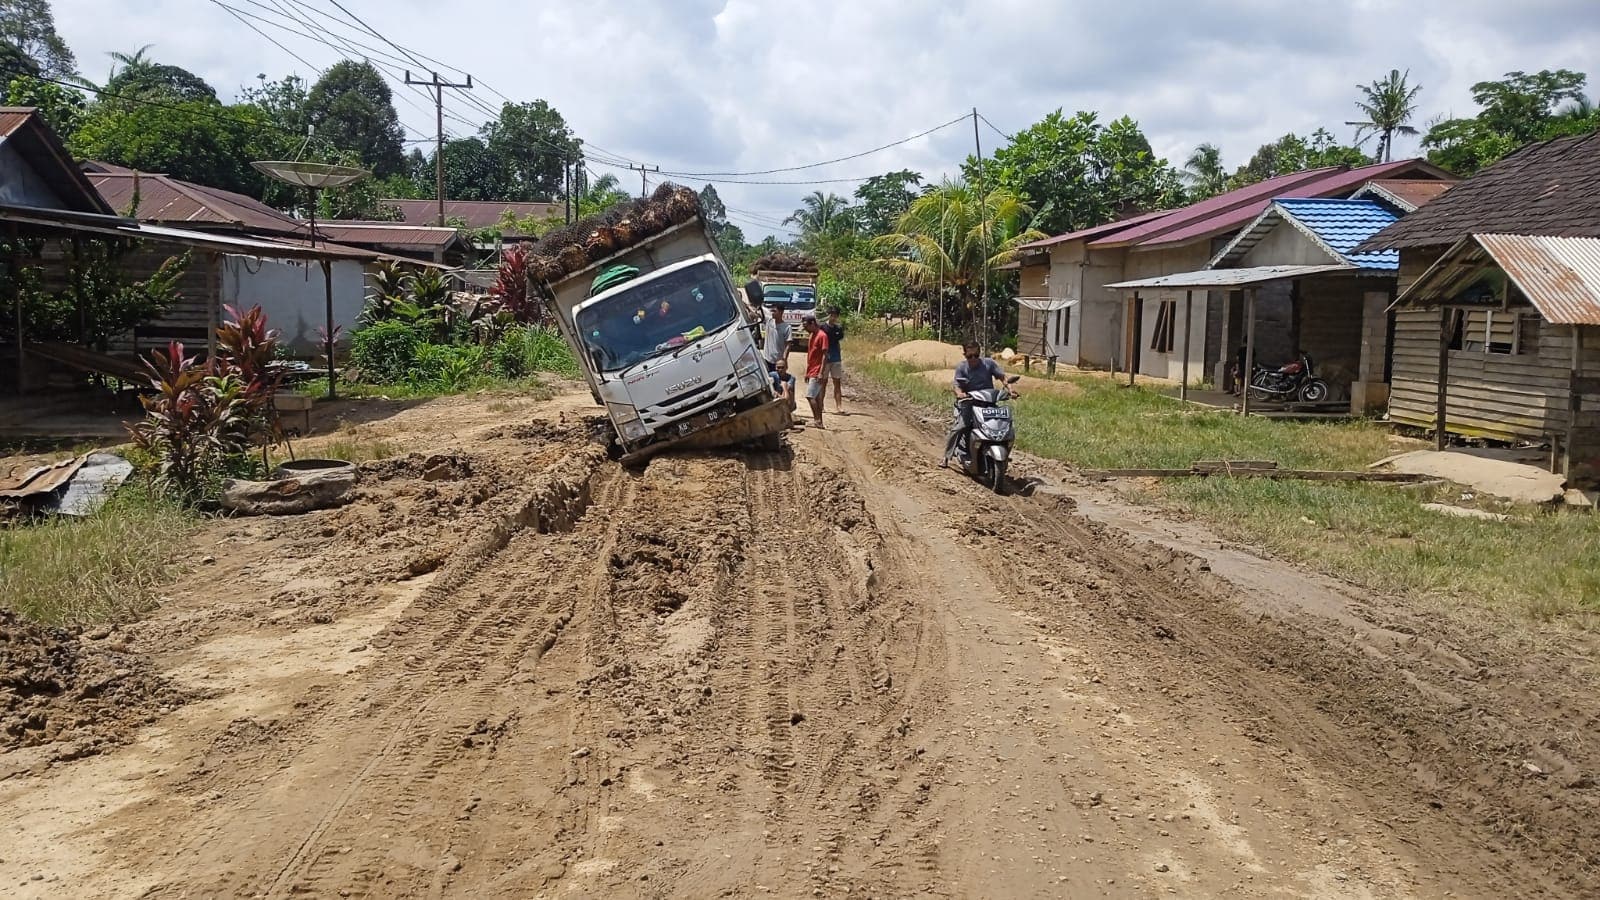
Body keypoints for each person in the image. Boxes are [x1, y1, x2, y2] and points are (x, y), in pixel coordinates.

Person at [943, 341, 1015, 465]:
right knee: (961, 426)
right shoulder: (962, 367)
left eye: (976, 355)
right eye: (970, 356)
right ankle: (946, 456)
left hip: (989, 403)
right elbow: (957, 385)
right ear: (965, 355)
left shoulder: (988, 363)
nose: (973, 359)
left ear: (979, 353)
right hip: (969, 402)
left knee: (1004, 425)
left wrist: (1011, 390)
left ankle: (1003, 451)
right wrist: (960, 394)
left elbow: (1002, 377)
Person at [801, 312, 830, 429]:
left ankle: (817, 420)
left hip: (818, 370)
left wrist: (820, 372)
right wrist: (807, 372)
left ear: (812, 323)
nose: (805, 329)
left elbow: (824, 355)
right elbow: (810, 355)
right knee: (817, 397)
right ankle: (819, 422)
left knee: (810, 396)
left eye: (806, 326)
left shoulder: (822, 336)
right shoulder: (812, 335)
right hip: (812, 370)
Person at [820, 307, 846, 414]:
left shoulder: (838, 329)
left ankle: (839, 406)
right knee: (823, 383)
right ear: (829, 315)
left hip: (836, 358)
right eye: (832, 315)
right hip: (825, 359)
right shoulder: (822, 327)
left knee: (837, 382)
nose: (833, 317)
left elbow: (838, 341)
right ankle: (821, 405)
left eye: (835, 315)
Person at [762, 302, 790, 372]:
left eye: (774, 311)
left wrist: (784, 359)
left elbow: (788, 345)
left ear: (781, 312)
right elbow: (755, 315)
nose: (772, 313)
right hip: (767, 359)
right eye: (772, 311)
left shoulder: (787, 327)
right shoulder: (769, 321)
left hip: (778, 362)